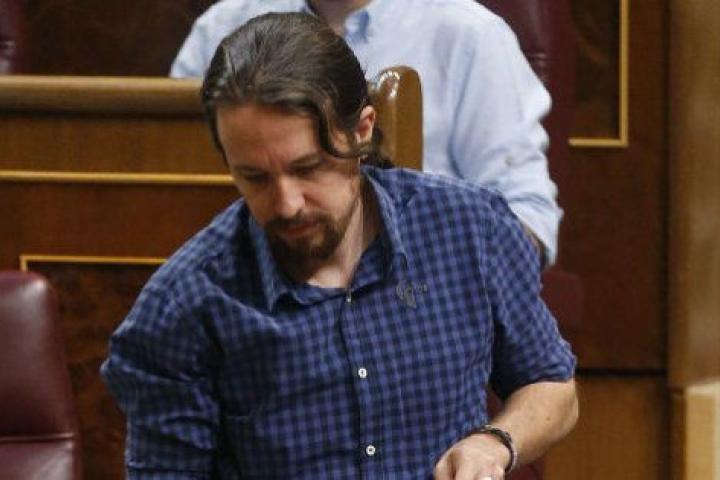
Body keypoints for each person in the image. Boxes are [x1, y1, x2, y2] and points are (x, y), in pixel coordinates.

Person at [102, 13, 577, 479]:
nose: (287, 204)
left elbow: (552, 386)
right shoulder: (184, 304)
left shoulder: (468, 227)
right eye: (255, 177)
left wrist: (495, 442)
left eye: (308, 168)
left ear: (362, 130)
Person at [170, 0, 563, 266]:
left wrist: (437, 284)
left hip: (412, 298)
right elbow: (163, 178)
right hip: (245, 299)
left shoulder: (468, 35)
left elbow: (528, 218)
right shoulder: (221, 29)